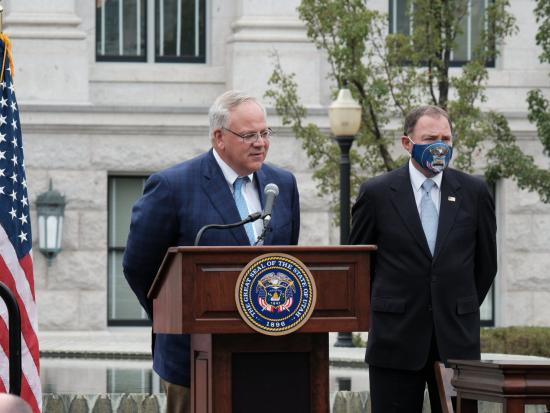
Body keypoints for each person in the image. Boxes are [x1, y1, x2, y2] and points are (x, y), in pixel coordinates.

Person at [123, 90, 300, 412]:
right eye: (249, 135)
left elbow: (286, 264)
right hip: (192, 358)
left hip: (267, 355)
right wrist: (175, 316)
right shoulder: (172, 186)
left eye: (265, 133)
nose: (261, 143)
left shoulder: (282, 184)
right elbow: (139, 265)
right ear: (219, 137)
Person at [349, 105, 497, 413]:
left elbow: (485, 264)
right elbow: (360, 266)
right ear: (407, 143)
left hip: (456, 341)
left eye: (446, 138)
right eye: (430, 138)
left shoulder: (474, 191)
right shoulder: (376, 193)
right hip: (395, 340)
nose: (440, 145)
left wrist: (457, 303)